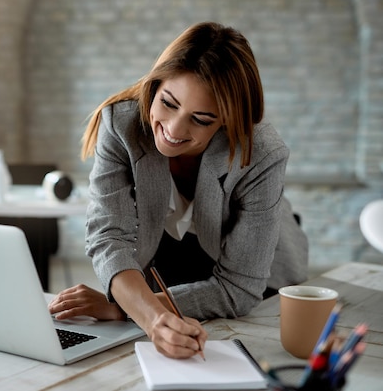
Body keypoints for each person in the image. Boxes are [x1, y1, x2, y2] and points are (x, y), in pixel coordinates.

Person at [48, 21, 308, 360]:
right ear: (155, 85)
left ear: (226, 122)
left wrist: (125, 310)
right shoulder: (121, 124)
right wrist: (151, 315)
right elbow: (110, 239)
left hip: (260, 277)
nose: (173, 129)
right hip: (163, 261)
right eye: (168, 103)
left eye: (201, 119)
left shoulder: (261, 152)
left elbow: (239, 289)